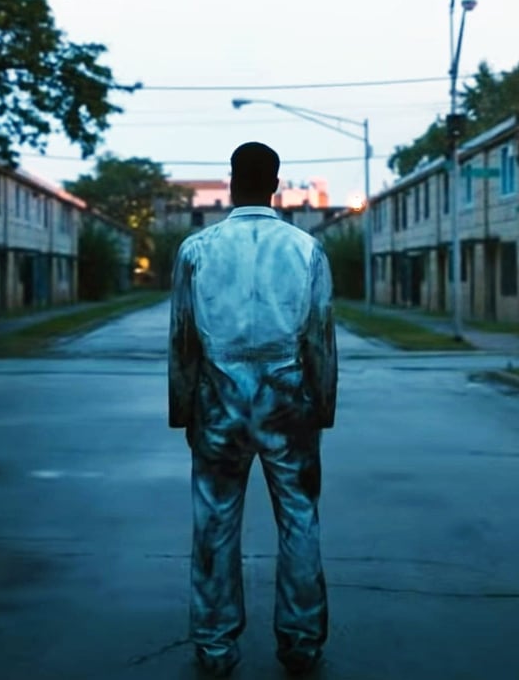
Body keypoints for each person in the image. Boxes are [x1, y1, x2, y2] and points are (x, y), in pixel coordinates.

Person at [168, 141, 338, 677]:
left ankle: (216, 645)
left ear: (231, 181)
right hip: (288, 405)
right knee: (299, 519)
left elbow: (182, 339)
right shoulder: (306, 250)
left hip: (218, 405)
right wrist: (322, 407)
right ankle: (301, 640)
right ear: (276, 183)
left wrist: (182, 410)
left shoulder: (197, 249)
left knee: (214, 523)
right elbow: (319, 338)